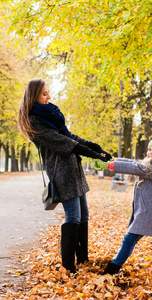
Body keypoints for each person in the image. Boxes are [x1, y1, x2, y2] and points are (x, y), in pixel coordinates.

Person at [18, 78, 112, 274]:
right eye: (44, 94)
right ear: (34, 95)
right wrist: (92, 154)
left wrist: (95, 147)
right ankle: (69, 266)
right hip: (62, 173)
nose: (49, 97)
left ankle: (83, 259)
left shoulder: (51, 116)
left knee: (84, 215)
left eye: (48, 93)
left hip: (74, 170)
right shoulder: (35, 122)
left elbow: (70, 136)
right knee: (74, 216)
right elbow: (64, 142)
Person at [94, 137, 152, 275]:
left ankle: (112, 269)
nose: (151, 152)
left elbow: (135, 168)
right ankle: (114, 267)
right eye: (150, 149)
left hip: (149, 211)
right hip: (147, 210)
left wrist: (110, 166)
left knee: (129, 239)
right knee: (130, 239)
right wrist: (114, 160)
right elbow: (134, 162)